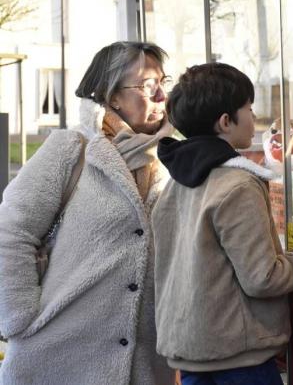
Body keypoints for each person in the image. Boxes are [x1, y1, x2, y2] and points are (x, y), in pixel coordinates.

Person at [0, 41, 175, 384]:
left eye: (163, 83)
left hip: (143, 367)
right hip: (56, 357)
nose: (160, 97)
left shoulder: (169, 160)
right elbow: (11, 231)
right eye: (147, 86)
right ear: (112, 97)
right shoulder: (71, 149)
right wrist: (20, 319)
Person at [152, 62, 293, 385]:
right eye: (248, 108)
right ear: (225, 122)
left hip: (193, 355)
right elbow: (263, 278)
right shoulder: (238, 185)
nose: (253, 117)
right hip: (239, 361)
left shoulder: (176, 184)